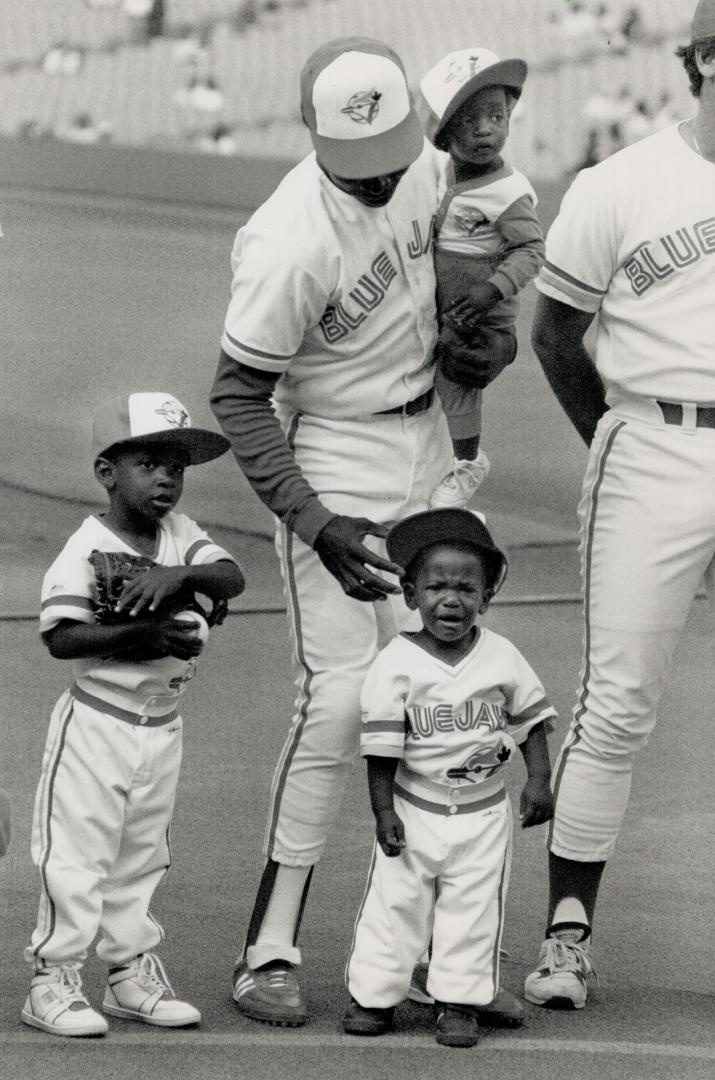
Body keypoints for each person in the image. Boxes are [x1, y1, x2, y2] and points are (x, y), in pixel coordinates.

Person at [209, 36, 515, 1027]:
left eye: (392, 151)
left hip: (427, 437)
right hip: (333, 455)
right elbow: (239, 397)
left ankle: (428, 961)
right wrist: (313, 519)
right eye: (362, 163)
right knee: (342, 701)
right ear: (315, 138)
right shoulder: (288, 239)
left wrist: (485, 334)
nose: (385, 176)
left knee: (442, 685)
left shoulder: (429, 164)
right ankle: (268, 951)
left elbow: (466, 274)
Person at [523, 0, 715, 1011]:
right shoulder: (623, 182)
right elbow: (553, 328)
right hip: (654, 440)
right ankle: (565, 936)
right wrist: (614, 433)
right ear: (705, 60)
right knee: (617, 701)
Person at [23, 392, 245, 1037]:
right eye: (149, 462)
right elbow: (60, 638)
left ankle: (127, 975)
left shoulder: (182, 536)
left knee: (141, 856)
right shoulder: (85, 544)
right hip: (96, 722)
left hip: (162, 726)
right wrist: (136, 637)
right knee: (76, 856)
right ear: (106, 472)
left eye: (177, 466)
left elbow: (229, 577)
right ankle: (53, 979)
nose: (167, 478)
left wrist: (177, 577)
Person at [342, 508, 555, 1048]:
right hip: (416, 807)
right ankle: (374, 996)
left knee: (474, 909)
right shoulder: (396, 663)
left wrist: (538, 780)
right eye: (436, 586)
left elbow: (530, 721)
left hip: (484, 812)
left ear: (486, 597)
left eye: (467, 587)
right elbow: (382, 751)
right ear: (410, 595)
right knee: (395, 907)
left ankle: (458, 1000)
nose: (451, 599)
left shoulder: (502, 655)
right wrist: (383, 810)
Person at [418, 49, 545, 509]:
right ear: (445, 132)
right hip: (448, 300)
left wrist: (493, 289)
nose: (486, 128)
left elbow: (531, 250)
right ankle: (440, 455)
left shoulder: (508, 190)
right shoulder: (441, 172)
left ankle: (467, 461)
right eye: (470, 121)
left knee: (458, 376)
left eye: (496, 115)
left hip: (481, 309)